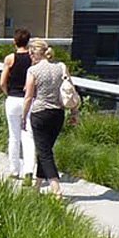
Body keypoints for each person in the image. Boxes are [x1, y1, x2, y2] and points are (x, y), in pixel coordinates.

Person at [19, 37, 78, 198]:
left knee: (44, 152)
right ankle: (37, 186)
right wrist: (74, 112)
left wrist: (23, 117)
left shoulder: (33, 71)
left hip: (40, 113)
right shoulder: (61, 67)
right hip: (58, 113)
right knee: (45, 149)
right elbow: (70, 90)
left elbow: (28, 97)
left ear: (33, 53)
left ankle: (56, 189)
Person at [0, 29, 36, 183]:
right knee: (28, 136)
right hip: (29, 99)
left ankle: (14, 170)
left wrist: (7, 93)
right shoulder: (33, 59)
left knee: (13, 136)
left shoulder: (10, 58)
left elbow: (2, 81)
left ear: (14, 42)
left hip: (13, 98)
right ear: (28, 42)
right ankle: (29, 170)